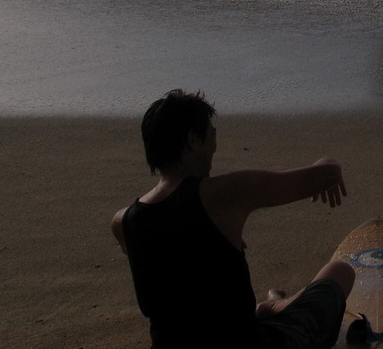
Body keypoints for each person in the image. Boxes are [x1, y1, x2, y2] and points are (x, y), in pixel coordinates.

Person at [111, 89, 355, 349]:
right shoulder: (226, 194)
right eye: (212, 133)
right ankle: (274, 306)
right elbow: (327, 174)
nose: (214, 143)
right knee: (339, 271)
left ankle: (270, 308)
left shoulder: (123, 222)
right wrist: (328, 162)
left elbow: (175, 261)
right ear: (193, 139)